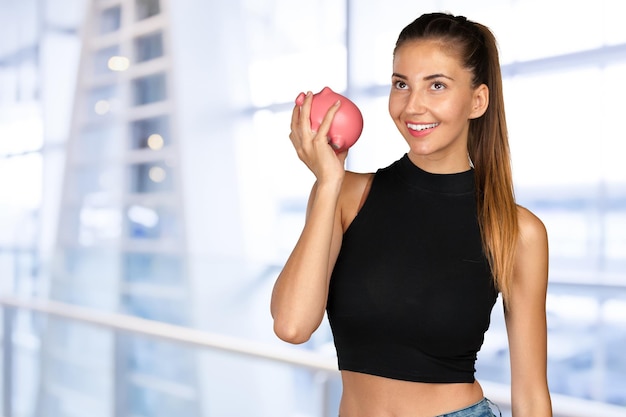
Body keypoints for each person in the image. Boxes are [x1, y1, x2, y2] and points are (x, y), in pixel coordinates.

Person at [270, 11, 552, 417]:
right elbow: (292, 325)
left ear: (478, 100)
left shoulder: (517, 230)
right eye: (401, 84)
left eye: (436, 85)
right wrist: (328, 182)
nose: (413, 106)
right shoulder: (345, 193)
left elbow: (530, 394)